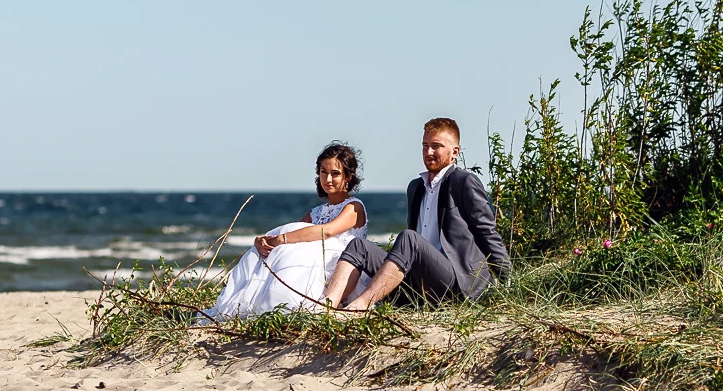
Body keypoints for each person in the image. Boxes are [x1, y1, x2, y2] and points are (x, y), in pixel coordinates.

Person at [322, 117, 511, 311]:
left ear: (454, 152)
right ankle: (325, 307)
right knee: (359, 246)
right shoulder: (415, 187)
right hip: (418, 284)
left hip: (454, 284)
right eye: (425, 145)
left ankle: (360, 307)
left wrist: (507, 282)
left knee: (408, 239)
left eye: (436, 146)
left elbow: (486, 232)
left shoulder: (464, 182)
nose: (429, 152)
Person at [201, 142, 370, 320]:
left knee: (291, 251)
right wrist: (264, 241)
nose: (328, 179)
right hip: (313, 265)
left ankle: (291, 306)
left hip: (341, 270)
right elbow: (297, 236)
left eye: (335, 174)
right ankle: (253, 306)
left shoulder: (354, 207)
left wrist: (281, 239)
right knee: (274, 253)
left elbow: (326, 232)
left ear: (348, 177)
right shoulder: (314, 213)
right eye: (323, 172)